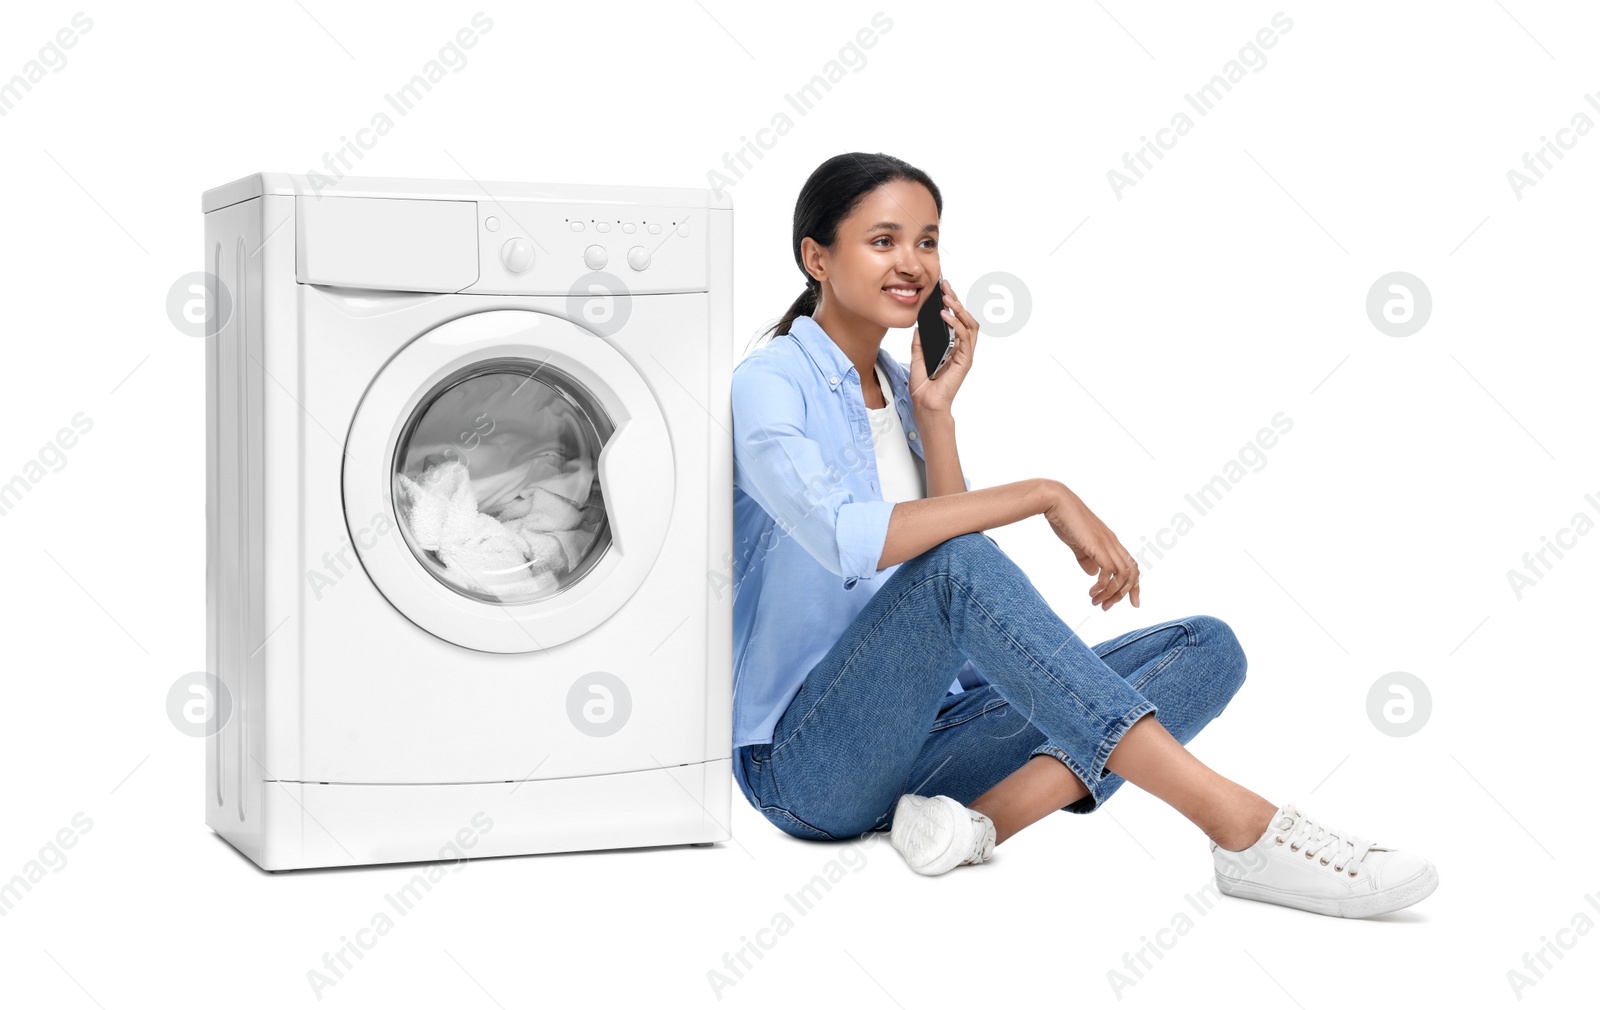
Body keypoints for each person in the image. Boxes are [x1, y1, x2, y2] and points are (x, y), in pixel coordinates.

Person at [728, 152, 1438, 918]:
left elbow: (936, 557)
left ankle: (971, 827)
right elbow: (845, 537)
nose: (913, 264)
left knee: (1205, 648)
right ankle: (1245, 828)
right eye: (884, 241)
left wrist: (936, 415)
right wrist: (1043, 493)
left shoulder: (902, 394)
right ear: (816, 256)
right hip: (807, 765)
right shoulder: (770, 383)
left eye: (928, 242)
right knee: (966, 562)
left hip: (931, 739)